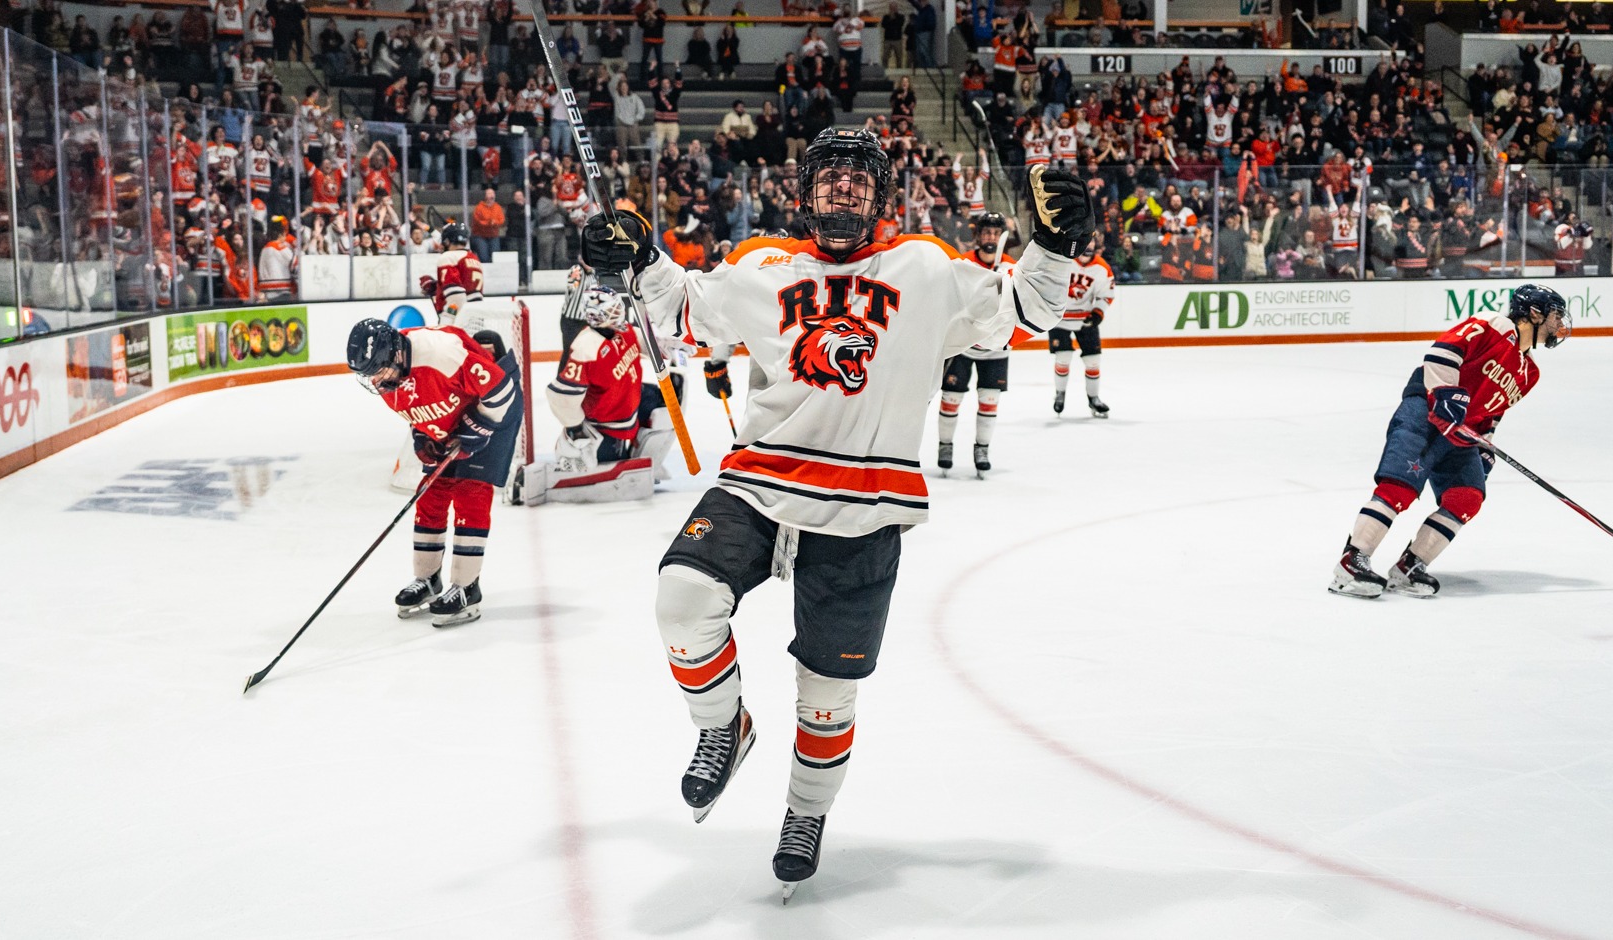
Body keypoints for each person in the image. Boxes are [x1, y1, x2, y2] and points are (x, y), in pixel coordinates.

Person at [578, 127, 1088, 899]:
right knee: (681, 599)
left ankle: (804, 813)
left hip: (867, 503)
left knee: (826, 691)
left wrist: (1054, 240)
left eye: (860, 177)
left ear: (882, 196)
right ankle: (723, 725)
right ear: (806, 193)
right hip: (760, 476)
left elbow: (1029, 307)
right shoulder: (760, 265)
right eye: (830, 176)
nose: (843, 187)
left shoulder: (924, 266)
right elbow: (684, 315)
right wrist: (639, 255)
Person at [1330, 284, 1570, 599]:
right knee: (1399, 486)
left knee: (1467, 497)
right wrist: (1445, 394)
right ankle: (1351, 563)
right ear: (1534, 314)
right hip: (1427, 412)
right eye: (1555, 316)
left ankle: (1409, 567)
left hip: (1462, 433)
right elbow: (1443, 350)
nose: (1560, 325)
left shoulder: (1530, 373)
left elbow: (1493, 412)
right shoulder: (1496, 326)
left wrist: (1486, 444)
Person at [344, 317, 523, 626]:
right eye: (368, 375)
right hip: (455, 414)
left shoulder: (442, 353)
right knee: (430, 495)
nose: (375, 381)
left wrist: (475, 428)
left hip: (494, 411)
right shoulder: (389, 377)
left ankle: (467, 587)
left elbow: (500, 392)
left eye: (377, 371)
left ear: (395, 355)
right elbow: (424, 405)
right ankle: (428, 580)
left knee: (470, 492)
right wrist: (423, 436)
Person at [543, 285, 680, 495]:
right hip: (607, 423)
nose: (620, 313)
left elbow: (637, 338)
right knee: (607, 481)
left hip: (632, 398)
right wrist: (576, 428)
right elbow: (561, 395)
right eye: (614, 310)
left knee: (667, 405)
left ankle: (648, 461)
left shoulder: (620, 330)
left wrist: (658, 344)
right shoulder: (586, 348)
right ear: (599, 314)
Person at [936, 212, 1014, 476]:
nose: (990, 238)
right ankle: (945, 446)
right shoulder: (963, 264)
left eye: (995, 233)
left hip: (995, 349)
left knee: (989, 400)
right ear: (978, 236)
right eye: (986, 233)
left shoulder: (1011, 268)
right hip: (962, 345)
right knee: (951, 398)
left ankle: (982, 449)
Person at [1048, 233, 1115, 417]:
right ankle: (1060, 394)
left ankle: (1093, 398)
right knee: (1063, 357)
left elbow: (1107, 295)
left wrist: (1097, 313)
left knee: (1093, 361)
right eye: (1086, 239)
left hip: (1085, 318)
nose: (1089, 243)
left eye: (1092, 240)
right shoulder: (1064, 259)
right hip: (1060, 318)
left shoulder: (1102, 268)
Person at [419, 221, 485, 323]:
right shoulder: (473, 257)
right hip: (476, 316)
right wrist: (437, 287)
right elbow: (465, 285)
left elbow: (456, 296)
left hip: (460, 318)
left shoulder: (448, 257)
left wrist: (447, 319)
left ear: (447, 241)